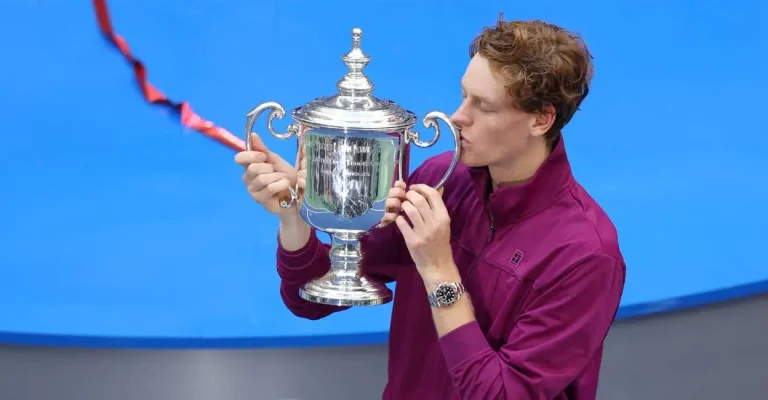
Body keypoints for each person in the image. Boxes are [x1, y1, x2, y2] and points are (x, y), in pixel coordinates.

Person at [235, 15, 626, 400]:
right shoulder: (440, 179)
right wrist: (296, 214)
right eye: (462, 95)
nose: (458, 117)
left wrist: (439, 271)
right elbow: (309, 299)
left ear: (541, 119)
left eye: (484, 107)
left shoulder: (585, 255)